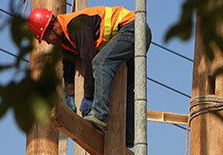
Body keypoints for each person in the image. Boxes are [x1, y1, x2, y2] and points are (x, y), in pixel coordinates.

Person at [26, 6, 151, 147]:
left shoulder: (76, 26)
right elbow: (68, 66)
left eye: (46, 37)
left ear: (53, 25)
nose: (48, 42)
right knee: (127, 88)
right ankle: (128, 135)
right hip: (132, 33)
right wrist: (70, 95)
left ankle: (99, 115)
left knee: (101, 63)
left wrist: (89, 97)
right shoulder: (65, 39)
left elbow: (89, 60)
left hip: (134, 29)